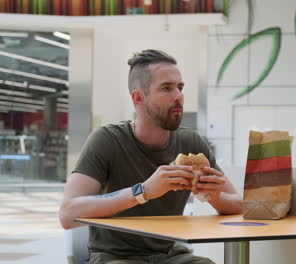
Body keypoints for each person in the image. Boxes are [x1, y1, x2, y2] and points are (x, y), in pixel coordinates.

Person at [59, 49, 243, 264]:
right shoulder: (106, 139)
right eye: (167, 88)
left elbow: (239, 204)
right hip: (115, 257)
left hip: (172, 255)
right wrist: (143, 191)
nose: (179, 96)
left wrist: (213, 196)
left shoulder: (192, 143)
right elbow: (68, 214)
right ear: (138, 97)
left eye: (180, 87)